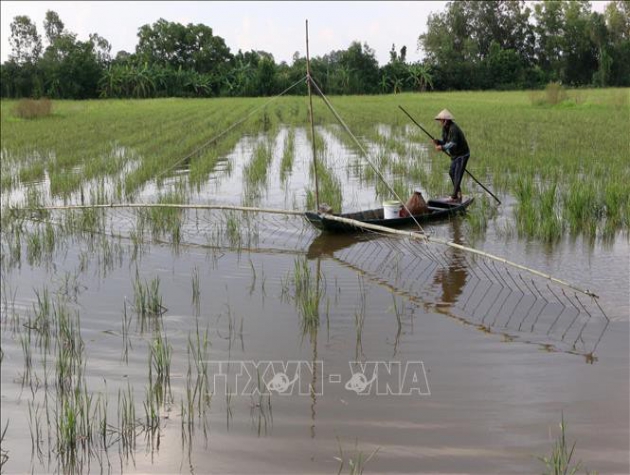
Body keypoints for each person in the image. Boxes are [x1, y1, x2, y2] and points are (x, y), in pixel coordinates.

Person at [433, 109, 470, 203]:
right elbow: (445, 142)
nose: (440, 122)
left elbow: (453, 143)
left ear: (446, 120)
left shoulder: (454, 129)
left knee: (457, 174)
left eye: (441, 120)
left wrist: (442, 147)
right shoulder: (445, 129)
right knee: (451, 172)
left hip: (462, 154)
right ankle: (458, 192)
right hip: (455, 155)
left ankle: (454, 197)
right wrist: (438, 142)